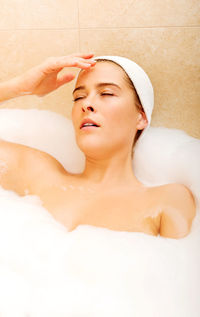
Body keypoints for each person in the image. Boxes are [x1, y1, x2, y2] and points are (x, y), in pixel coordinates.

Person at [0, 52, 196, 238]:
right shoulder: (39, 176)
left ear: (141, 117)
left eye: (107, 93)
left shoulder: (166, 200)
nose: (87, 104)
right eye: (79, 97)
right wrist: (19, 87)